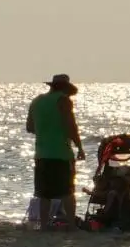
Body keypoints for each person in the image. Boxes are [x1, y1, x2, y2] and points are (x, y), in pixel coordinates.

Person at [25, 74, 86, 227]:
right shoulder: (63, 100)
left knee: (44, 194)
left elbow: (30, 127)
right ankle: (71, 225)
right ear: (65, 88)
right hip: (61, 153)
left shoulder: (37, 101)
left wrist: (45, 128)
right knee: (67, 191)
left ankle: (44, 225)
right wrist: (79, 147)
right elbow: (71, 126)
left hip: (41, 154)